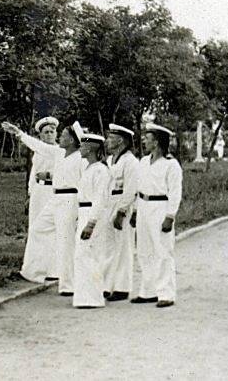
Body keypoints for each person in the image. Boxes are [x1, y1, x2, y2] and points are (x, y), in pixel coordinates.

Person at [2, 120, 83, 296]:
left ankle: (68, 285)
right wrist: (19, 132)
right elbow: (38, 145)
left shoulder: (79, 159)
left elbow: (85, 185)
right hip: (55, 198)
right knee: (38, 229)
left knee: (65, 240)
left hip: (70, 199)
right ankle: (34, 271)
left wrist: (81, 210)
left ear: (71, 141)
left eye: (62, 136)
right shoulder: (59, 153)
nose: (58, 137)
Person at [131, 123, 183, 308]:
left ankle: (166, 294)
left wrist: (170, 216)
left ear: (158, 142)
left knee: (162, 251)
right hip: (144, 207)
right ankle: (148, 291)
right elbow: (139, 188)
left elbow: (175, 192)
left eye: (148, 138)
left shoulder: (171, 164)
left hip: (160, 207)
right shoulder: (143, 162)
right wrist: (136, 211)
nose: (144, 141)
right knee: (145, 251)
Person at [19, 116, 61, 282]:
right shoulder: (38, 152)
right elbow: (33, 174)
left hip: (53, 191)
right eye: (46, 132)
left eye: (52, 131)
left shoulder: (61, 151)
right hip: (39, 191)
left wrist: (51, 175)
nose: (49, 134)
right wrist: (30, 194)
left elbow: (68, 173)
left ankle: (53, 269)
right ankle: (35, 267)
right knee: (35, 226)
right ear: (41, 136)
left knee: (52, 229)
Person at [75, 132, 111, 308]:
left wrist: (91, 223)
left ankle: (94, 297)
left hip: (92, 214)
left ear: (90, 148)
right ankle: (83, 296)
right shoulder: (88, 169)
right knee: (82, 255)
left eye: (82, 145)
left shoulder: (100, 170)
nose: (80, 148)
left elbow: (100, 199)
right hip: (83, 211)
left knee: (91, 255)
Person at [104, 123, 139, 302]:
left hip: (122, 204)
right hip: (109, 202)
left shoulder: (130, 161)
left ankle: (122, 287)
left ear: (121, 141)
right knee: (110, 246)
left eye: (111, 138)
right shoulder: (110, 160)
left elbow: (131, 188)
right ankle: (107, 284)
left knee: (124, 246)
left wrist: (122, 211)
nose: (108, 141)